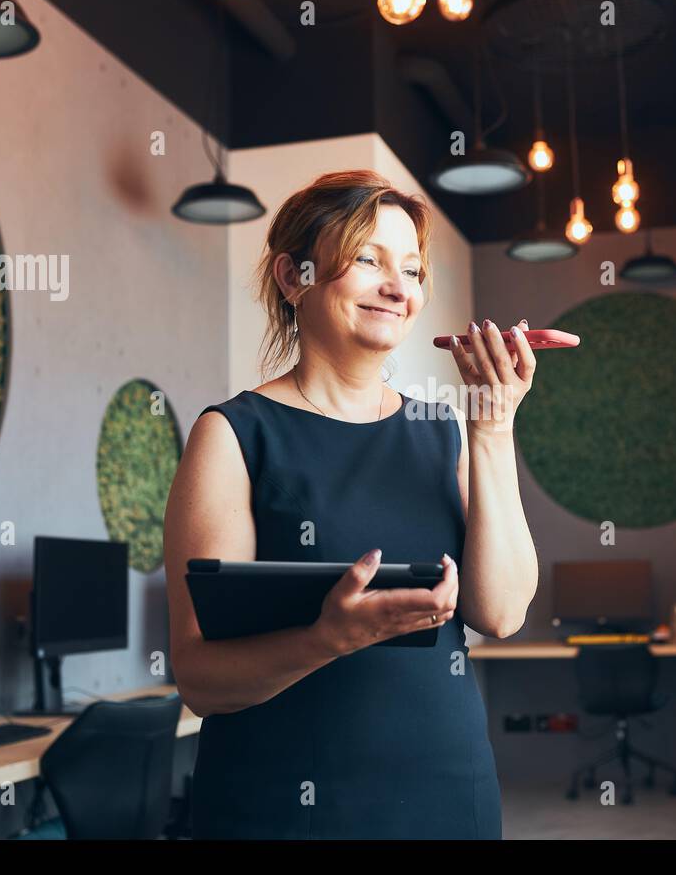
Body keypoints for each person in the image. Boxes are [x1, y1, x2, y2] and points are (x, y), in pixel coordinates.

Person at [162, 169, 539, 838]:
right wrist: (325, 641)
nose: (399, 288)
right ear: (293, 277)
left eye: (413, 270)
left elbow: (501, 612)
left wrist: (493, 424)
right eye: (368, 260)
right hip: (282, 808)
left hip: (448, 793)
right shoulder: (232, 436)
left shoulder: (443, 431)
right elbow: (200, 680)